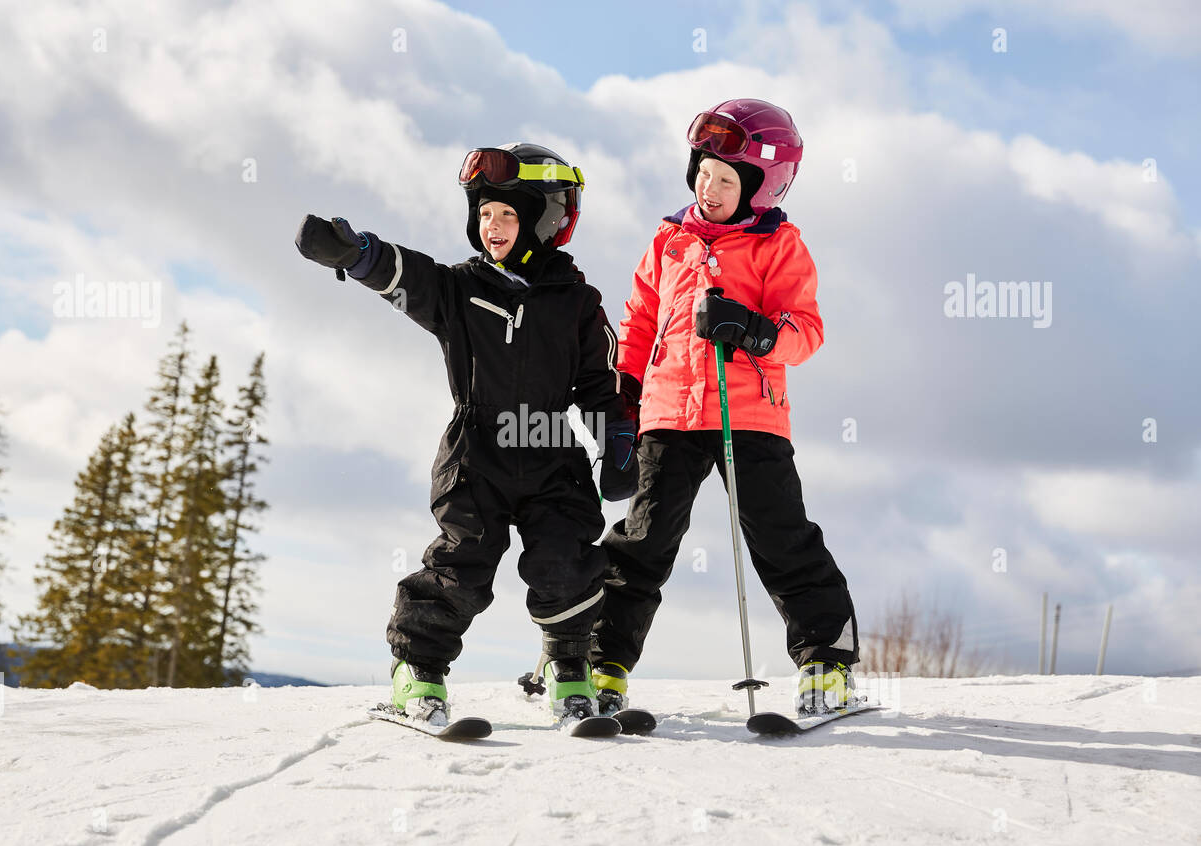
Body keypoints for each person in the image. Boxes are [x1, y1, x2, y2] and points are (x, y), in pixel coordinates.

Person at [295, 143, 638, 727]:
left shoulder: (577, 303)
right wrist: (359, 254)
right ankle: (418, 670)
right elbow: (408, 275)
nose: (494, 226)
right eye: (484, 214)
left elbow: (600, 382)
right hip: (477, 453)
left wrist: (617, 441)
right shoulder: (459, 290)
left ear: (546, 220)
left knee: (567, 561)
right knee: (463, 564)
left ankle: (568, 663)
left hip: (554, 452)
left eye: (508, 214)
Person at [587, 98, 860, 716]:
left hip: (749, 415)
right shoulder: (668, 239)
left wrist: (751, 329)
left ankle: (827, 658)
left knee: (780, 535)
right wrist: (624, 395)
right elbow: (638, 323)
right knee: (645, 537)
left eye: (727, 179)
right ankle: (599, 659)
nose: (708, 188)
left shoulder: (778, 245)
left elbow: (806, 330)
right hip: (668, 414)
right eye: (703, 171)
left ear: (763, 189)